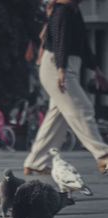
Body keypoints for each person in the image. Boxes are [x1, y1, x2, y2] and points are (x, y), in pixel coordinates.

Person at [24, 0, 108, 175]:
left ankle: (35, 162)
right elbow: (60, 42)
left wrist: (96, 69)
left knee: (57, 119)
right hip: (57, 66)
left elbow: (83, 45)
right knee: (82, 108)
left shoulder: (73, 11)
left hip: (65, 67)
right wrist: (61, 70)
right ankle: (103, 155)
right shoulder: (62, 12)